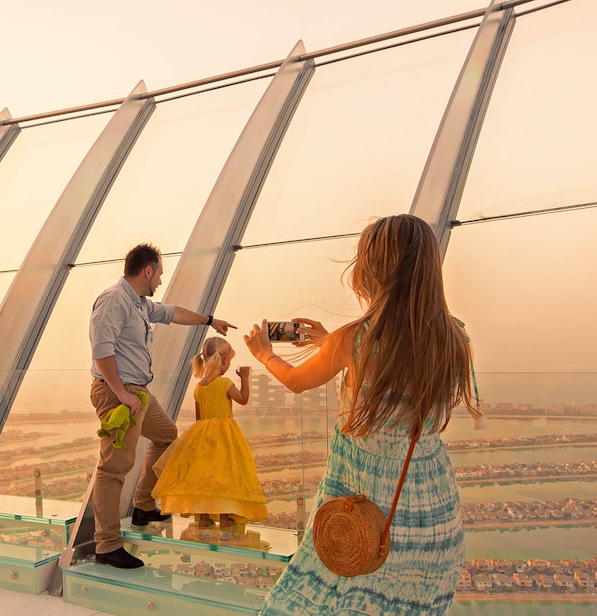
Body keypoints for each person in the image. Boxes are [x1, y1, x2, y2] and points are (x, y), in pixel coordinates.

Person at [244, 214, 485, 615]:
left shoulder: (353, 340)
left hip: (365, 512)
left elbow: (296, 381)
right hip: (434, 511)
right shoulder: (455, 337)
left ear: (371, 269)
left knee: (320, 601)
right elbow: (401, 364)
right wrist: (329, 340)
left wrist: (265, 354)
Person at [89, 243, 234, 569]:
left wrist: (210, 320)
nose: (160, 282)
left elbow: (172, 312)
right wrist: (122, 394)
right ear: (148, 271)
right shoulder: (114, 300)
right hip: (118, 394)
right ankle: (106, 546)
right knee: (114, 468)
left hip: (137, 392)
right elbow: (101, 351)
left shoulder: (139, 304)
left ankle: (142, 505)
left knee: (167, 434)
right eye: (159, 275)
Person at [151, 336, 269, 528]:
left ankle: (204, 518)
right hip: (225, 437)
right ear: (223, 360)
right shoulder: (225, 383)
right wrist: (245, 378)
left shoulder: (199, 387)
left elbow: (200, 419)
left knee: (204, 477)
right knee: (223, 475)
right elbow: (243, 399)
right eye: (228, 361)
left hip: (201, 437)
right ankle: (224, 518)